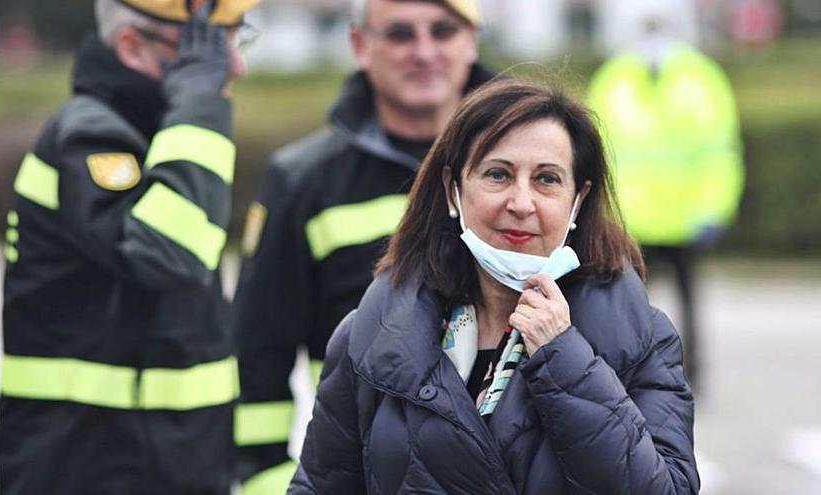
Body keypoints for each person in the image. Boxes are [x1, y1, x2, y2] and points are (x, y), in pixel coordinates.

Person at [289, 79, 700, 494]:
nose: (522, 203)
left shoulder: (641, 339)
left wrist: (565, 358)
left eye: (547, 180)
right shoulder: (371, 335)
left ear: (579, 199)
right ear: (453, 190)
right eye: (498, 175)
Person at [0, 0, 261, 493]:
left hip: (172, 464)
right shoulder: (90, 137)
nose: (236, 69)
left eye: (236, 42)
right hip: (89, 468)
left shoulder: (165, 137)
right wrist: (201, 106)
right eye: (207, 51)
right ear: (132, 45)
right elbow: (169, 250)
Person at [231, 0, 493, 492]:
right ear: (359, 44)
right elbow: (257, 353)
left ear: (472, 42)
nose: (424, 51)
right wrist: (265, 479)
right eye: (399, 34)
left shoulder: (534, 166)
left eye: (443, 30)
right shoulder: (303, 182)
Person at [587, 14, 744, 385]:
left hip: (684, 218)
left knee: (687, 302)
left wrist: (714, 209)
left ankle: (693, 373)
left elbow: (719, 151)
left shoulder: (700, 79)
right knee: (627, 304)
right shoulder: (614, 79)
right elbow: (594, 149)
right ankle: (631, 372)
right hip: (631, 220)